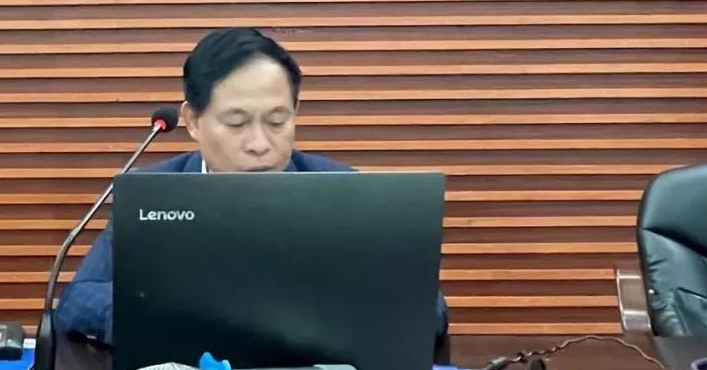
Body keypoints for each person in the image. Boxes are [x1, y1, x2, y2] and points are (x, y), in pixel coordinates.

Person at [55, 27, 450, 350]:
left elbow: (429, 309)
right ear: (193, 121)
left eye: (277, 121)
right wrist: (166, 317)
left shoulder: (342, 191)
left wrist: (325, 314)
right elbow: (78, 300)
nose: (260, 143)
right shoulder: (153, 193)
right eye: (237, 123)